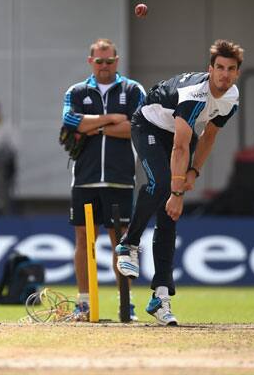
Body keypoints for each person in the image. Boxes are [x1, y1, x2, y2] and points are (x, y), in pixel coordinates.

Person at [115, 39, 244, 326]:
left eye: (230, 69)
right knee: (162, 186)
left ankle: (160, 298)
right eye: (219, 68)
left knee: (169, 217)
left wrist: (193, 174)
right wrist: (177, 191)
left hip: (181, 134)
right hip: (149, 124)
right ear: (209, 69)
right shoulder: (194, 94)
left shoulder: (231, 97)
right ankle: (129, 243)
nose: (224, 74)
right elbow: (180, 147)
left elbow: (209, 135)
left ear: (236, 73)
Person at [61, 38, 146, 321]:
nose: (105, 67)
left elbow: (136, 126)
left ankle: (126, 304)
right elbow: (71, 122)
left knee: (120, 243)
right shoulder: (76, 91)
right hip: (84, 179)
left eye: (109, 61)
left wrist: (92, 126)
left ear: (117, 61)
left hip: (120, 179)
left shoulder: (133, 90)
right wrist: (110, 119)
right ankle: (83, 304)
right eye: (99, 61)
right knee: (84, 241)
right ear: (90, 62)